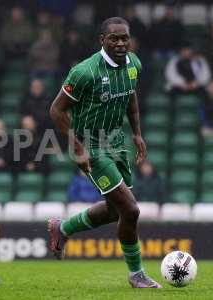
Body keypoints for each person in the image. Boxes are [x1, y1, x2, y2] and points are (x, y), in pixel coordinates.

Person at [48, 17, 161, 288]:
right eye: (114, 38)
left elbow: (131, 96)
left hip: (118, 143)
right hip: (91, 146)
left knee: (115, 211)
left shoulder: (134, 64)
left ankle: (62, 228)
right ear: (102, 40)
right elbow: (56, 110)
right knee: (131, 210)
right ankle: (137, 275)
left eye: (125, 38)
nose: (120, 43)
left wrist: (137, 133)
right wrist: (77, 148)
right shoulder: (84, 72)